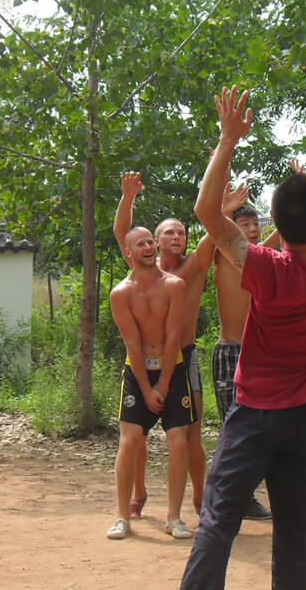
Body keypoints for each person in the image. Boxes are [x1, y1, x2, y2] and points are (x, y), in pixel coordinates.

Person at [173, 87, 306, 590]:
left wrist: (228, 139)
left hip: (257, 413)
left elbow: (206, 212)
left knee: (218, 521)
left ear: (275, 228)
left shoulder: (267, 267)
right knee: (294, 530)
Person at [113, 171, 249, 519]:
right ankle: (139, 492)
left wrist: (224, 204)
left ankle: (200, 499)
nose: (177, 237)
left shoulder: (194, 265)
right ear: (155, 242)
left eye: (181, 232)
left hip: (183, 358)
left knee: (191, 433)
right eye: (169, 233)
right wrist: (127, 197)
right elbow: (122, 233)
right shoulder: (144, 267)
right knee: (136, 436)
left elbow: (214, 227)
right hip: (143, 360)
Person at [107, 226, 196, 540]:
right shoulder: (121, 293)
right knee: (129, 441)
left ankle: (174, 518)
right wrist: (146, 389)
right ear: (129, 252)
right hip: (138, 373)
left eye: (150, 242)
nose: (148, 247)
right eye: (140, 244)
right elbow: (132, 342)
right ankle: (122, 517)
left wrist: (164, 384)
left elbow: (173, 336)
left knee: (178, 441)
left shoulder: (174, 285)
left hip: (173, 370)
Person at [210, 201, 281, 521]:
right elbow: (217, 226)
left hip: (261, 356)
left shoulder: (266, 261)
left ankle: (248, 496)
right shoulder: (225, 257)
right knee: (233, 429)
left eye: (256, 225)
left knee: (268, 429)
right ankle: (230, 498)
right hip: (230, 353)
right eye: (245, 225)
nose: (253, 231)